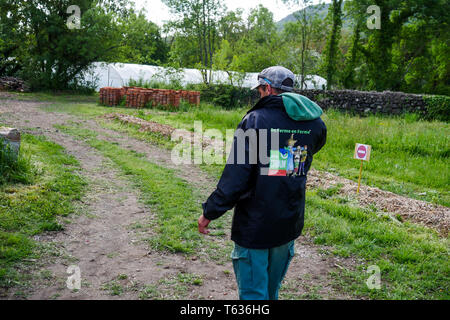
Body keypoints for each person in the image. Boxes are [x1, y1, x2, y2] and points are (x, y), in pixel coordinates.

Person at [198, 66, 327, 300]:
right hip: (288, 223)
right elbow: (303, 155)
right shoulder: (316, 124)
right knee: (270, 291)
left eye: (259, 89)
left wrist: (210, 212)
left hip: (254, 227)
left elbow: (236, 177)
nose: (259, 94)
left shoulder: (255, 120)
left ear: (267, 88)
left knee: (253, 296)